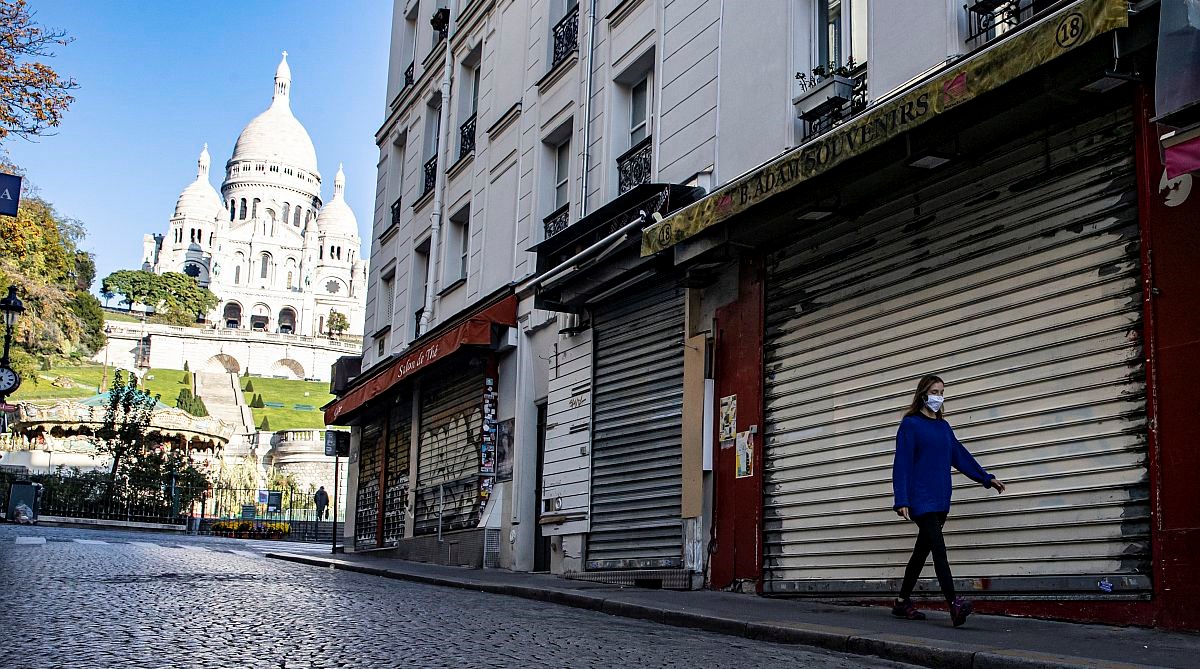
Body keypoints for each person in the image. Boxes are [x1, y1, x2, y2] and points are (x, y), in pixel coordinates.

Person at [891, 374, 1006, 627]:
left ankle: (901, 602)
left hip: (941, 499)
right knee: (939, 551)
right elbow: (902, 464)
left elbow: (960, 456)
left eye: (941, 392)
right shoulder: (910, 425)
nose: (938, 397)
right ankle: (953, 603)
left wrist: (986, 478)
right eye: (934, 391)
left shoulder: (943, 427)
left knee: (921, 553)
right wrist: (902, 499)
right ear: (923, 394)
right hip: (921, 500)